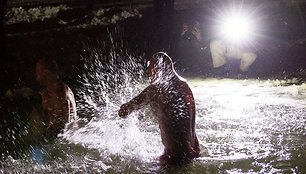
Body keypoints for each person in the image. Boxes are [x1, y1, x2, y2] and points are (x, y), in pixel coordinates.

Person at [118, 52, 200, 166]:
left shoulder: (157, 89)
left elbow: (123, 112)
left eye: (151, 70)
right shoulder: (184, 84)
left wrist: (132, 110)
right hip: (193, 150)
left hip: (174, 157)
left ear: (159, 68)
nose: (149, 75)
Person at [34, 59, 77, 138]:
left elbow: (61, 126)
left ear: (45, 73)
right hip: (59, 137)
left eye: (38, 71)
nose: (36, 75)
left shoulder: (58, 93)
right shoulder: (47, 92)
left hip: (65, 140)